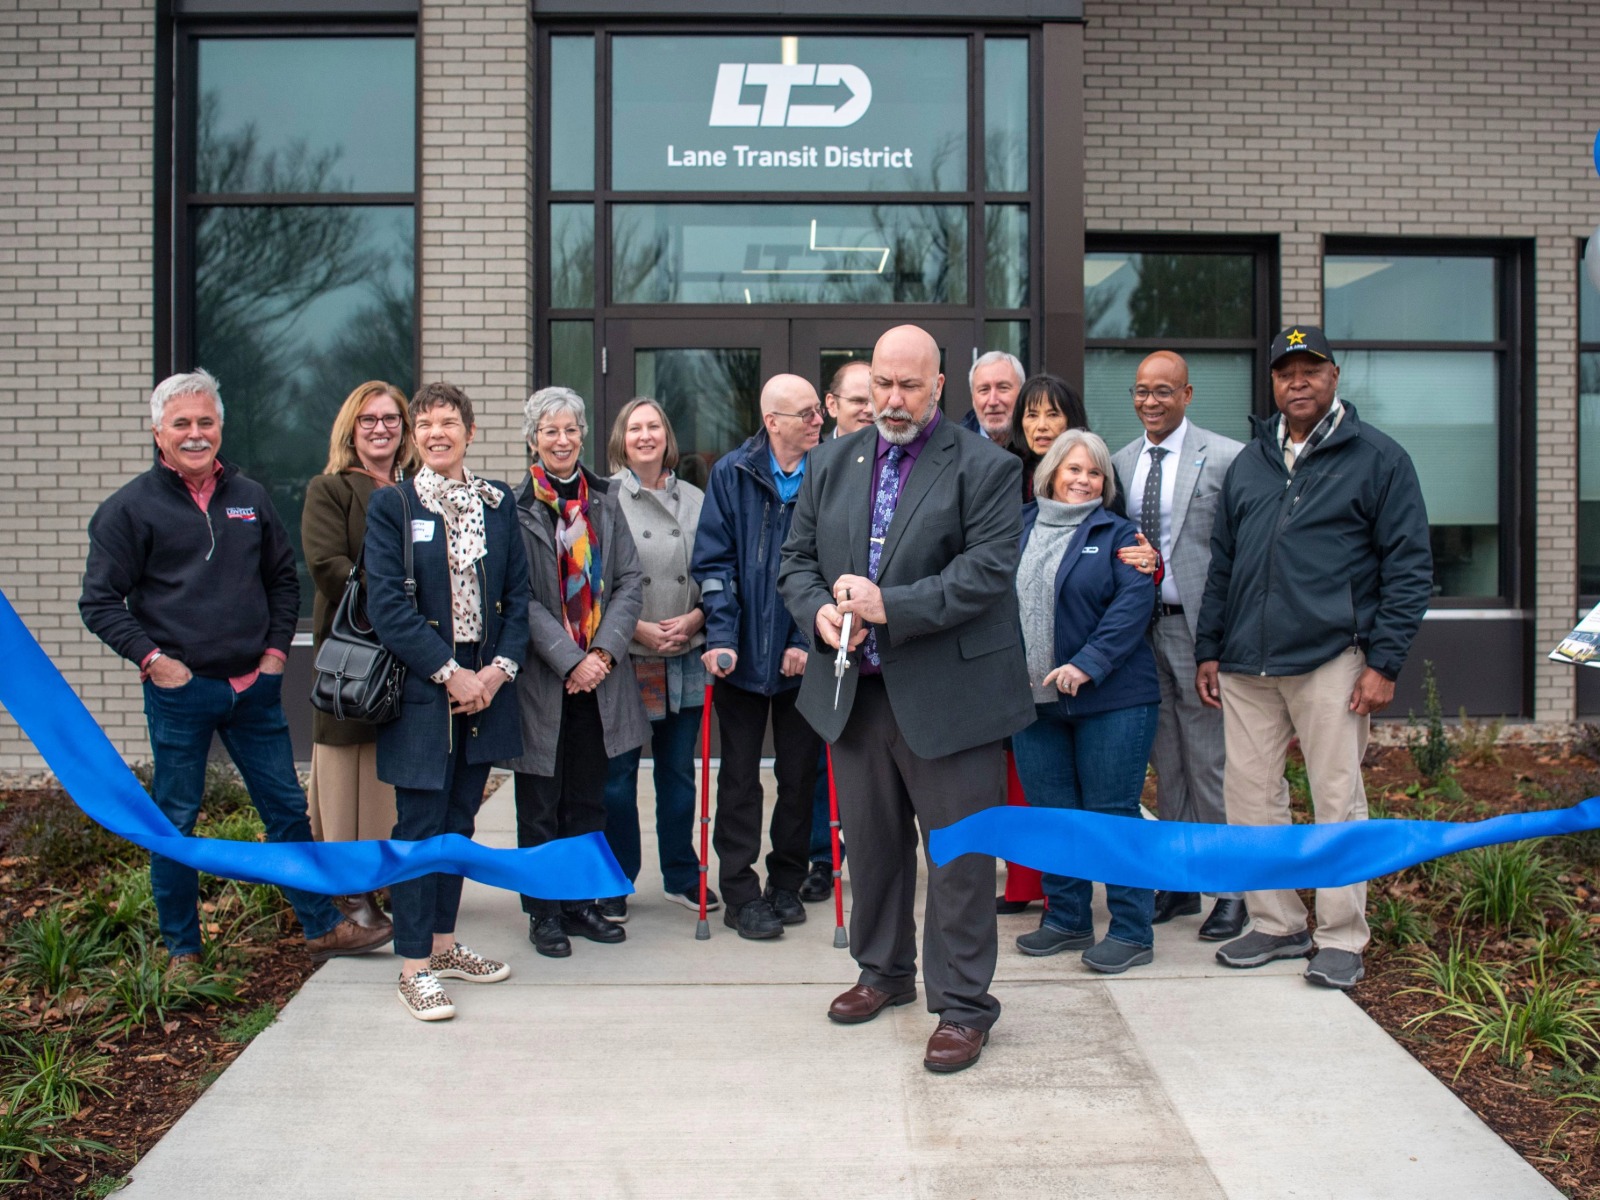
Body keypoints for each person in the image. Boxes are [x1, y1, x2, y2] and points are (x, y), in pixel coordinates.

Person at [779, 324, 1034, 1074]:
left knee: (956, 860)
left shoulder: (984, 467)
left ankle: (963, 1007)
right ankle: (882, 972)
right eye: (881, 384)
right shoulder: (832, 462)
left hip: (953, 697)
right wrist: (819, 611)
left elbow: (987, 572)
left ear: (937, 387)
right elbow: (796, 561)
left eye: (909, 386)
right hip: (855, 693)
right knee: (874, 847)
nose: (892, 399)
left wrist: (890, 605)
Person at [80, 369, 392, 974]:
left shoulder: (248, 496)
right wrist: (155, 661)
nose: (196, 434)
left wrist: (276, 655)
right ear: (158, 432)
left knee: (284, 810)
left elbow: (281, 578)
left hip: (253, 689)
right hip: (181, 693)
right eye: (182, 424)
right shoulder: (127, 510)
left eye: (206, 422)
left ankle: (323, 925)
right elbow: (97, 603)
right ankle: (184, 951)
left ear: (219, 427)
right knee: (175, 819)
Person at [1196, 326, 1432, 990]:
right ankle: (1275, 923)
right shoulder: (1250, 462)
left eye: (1310, 368)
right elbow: (1224, 566)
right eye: (1285, 371)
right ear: (1272, 382)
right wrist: (1210, 648)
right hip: (1246, 662)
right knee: (1249, 797)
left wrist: (1384, 662)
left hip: (1334, 658)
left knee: (1336, 796)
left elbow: (1410, 569)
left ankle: (1340, 935)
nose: (1297, 381)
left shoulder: (1379, 459)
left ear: (1334, 375)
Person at [365, 380, 528, 1021]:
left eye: (448, 421)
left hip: (485, 692)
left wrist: (494, 674)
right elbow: (388, 609)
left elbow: (517, 599)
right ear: (414, 435)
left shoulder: (497, 504)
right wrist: (449, 674)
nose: (437, 432)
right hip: (423, 695)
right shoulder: (394, 507)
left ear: (470, 431)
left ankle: (441, 944)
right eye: (425, 423)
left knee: (460, 823)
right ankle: (412, 969)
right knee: (419, 829)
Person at [503, 387, 648, 958]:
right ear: (533, 440)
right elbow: (520, 598)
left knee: (589, 798)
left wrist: (603, 656)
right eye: (549, 431)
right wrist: (571, 658)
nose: (561, 441)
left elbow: (631, 582)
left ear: (583, 436)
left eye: (570, 430)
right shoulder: (514, 509)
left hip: (599, 680)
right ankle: (544, 913)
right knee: (541, 802)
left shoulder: (607, 502)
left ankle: (582, 903)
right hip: (545, 680)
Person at [1009, 430, 1161, 971]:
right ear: (1049, 473)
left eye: (1094, 472)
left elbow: (1131, 606)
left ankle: (1131, 931)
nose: (1082, 479)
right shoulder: (1017, 527)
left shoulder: (1120, 534)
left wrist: (1086, 664)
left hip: (1112, 700)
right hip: (1033, 704)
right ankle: (1067, 919)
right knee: (1054, 816)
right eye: (1072, 469)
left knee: (1111, 814)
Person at [1110, 352, 1248, 942]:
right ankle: (1180, 880)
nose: (1150, 402)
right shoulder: (1119, 462)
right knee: (1166, 763)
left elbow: (1239, 556)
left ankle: (1230, 890)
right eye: (1142, 391)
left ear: (1187, 394)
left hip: (1199, 634)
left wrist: (1220, 641)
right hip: (1143, 631)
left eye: (1163, 391)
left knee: (1209, 762)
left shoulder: (1225, 456)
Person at [691, 374, 825, 939]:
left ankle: (787, 883)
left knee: (799, 777)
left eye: (819, 410)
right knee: (741, 780)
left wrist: (803, 641)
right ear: (773, 422)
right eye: (807, 414)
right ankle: (741, 892)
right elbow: (714, 565)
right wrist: (721, 638)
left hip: (803, 662)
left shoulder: (829, 472)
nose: (819, 420)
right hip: (740, 658)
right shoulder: (732, 473)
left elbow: (826, 564)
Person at [302, 380, 420, 930]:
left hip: (414, 655)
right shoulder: (331, 491)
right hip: (356, 656)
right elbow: (328, 565)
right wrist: (397, 592)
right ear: (352, 428)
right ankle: (353, 893)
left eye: (391, 418)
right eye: (369, 419)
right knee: (349, 766)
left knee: (392, 772)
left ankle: (394, 880)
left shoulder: (422, 490)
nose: (381, 428)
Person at [600, 396, 716, 919]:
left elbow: (716, 568)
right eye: (634, 428)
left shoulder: (696, 498)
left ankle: (679, 874)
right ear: (621, 440)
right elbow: (594, 582)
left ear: (667, 437)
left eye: (654, 427)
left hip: (684, 651)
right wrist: (636, 629)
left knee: (677, 772)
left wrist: (695, 620)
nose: (645, 436)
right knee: (619, 777)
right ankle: (618, 878)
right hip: (629, 656)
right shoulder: (604, 500)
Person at [800, 359, 874, 904]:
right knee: (820, 771)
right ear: (833, 408)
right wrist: (818, 614)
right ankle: (823, 859)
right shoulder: (820, 467)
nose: (871, 408)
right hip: (827, 648)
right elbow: (796, 560)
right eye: (859, 399)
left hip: (896, 657)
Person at [1007, 373, 1088, 504]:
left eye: (1053, 415)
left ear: (1071, 420)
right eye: (1032, 415)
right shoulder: (1007, 471)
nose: (1042, 426)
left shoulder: (1094, 466)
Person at [961, 349, 1025, 447]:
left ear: (1022, 394)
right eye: (984, 390)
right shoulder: (955, 451)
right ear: (973, 398)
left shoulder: (1039, 447)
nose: (992, 401)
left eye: (1003, 388)